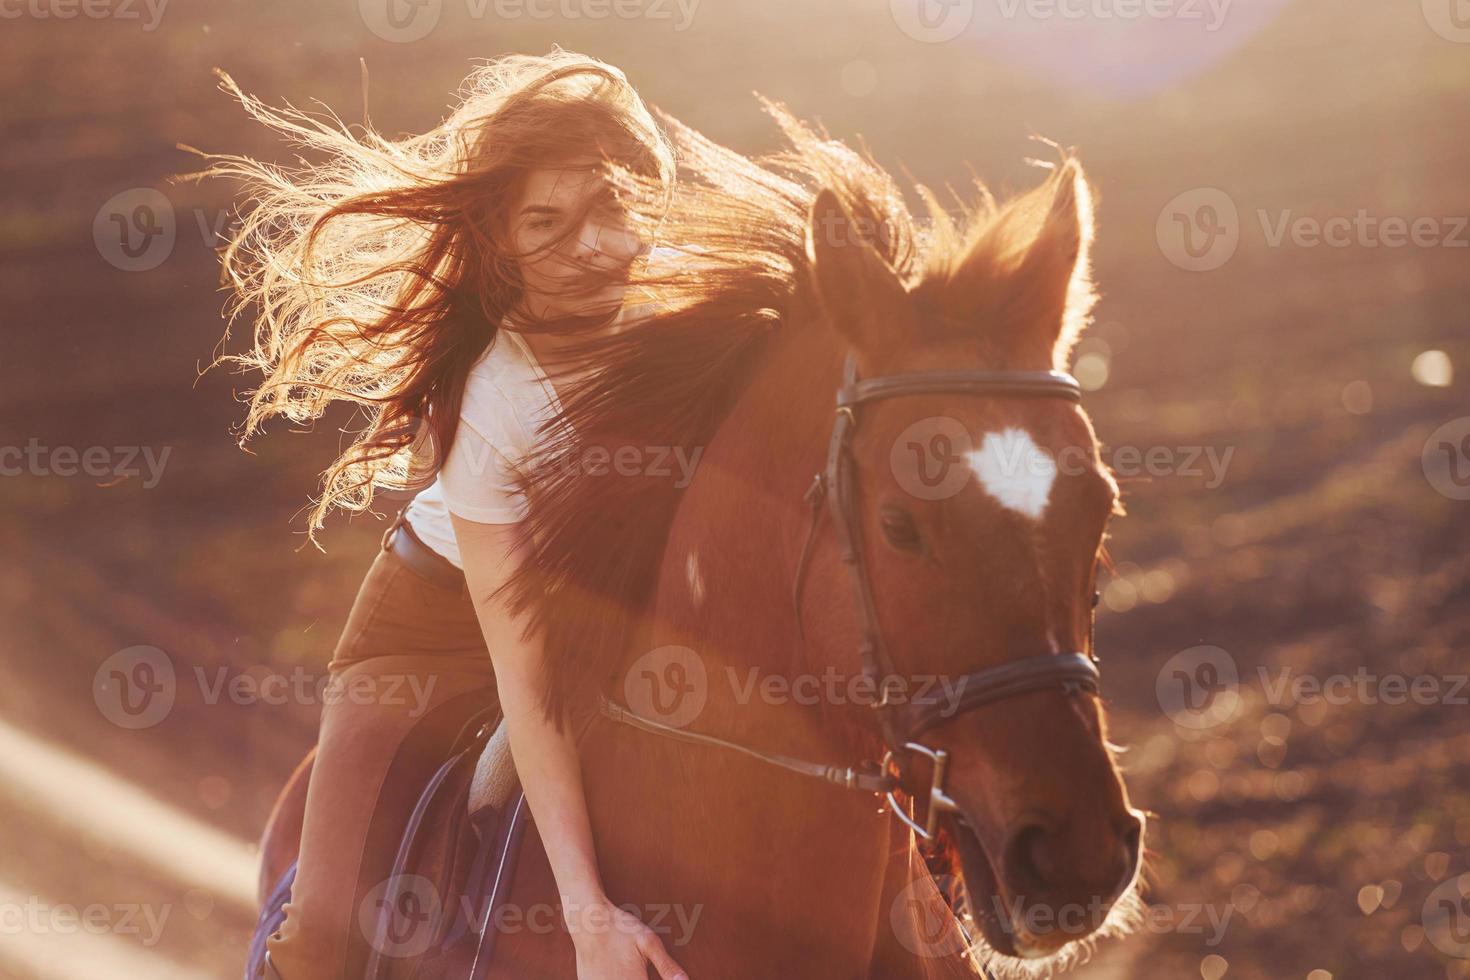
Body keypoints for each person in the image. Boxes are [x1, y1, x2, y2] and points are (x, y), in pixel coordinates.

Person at [211, 51, 689, 980]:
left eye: (608, 208)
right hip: (437, 641)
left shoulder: (690, 319)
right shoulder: (498, 396)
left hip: (617, 625)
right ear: (500, 242)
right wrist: (589, 916)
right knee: (329, 946)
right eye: (544, 223)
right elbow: (531, 680)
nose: (588, 246)